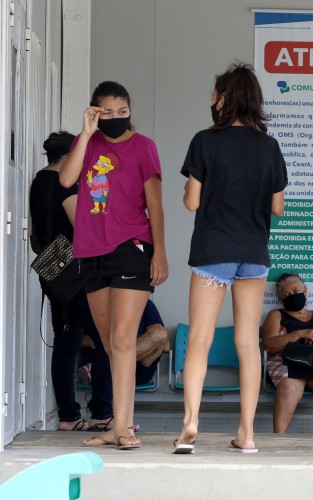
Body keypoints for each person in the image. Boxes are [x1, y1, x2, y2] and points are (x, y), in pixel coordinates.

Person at [174, 62, 287, 454]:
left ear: (225, 98)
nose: (212, 100)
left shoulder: (205, 141)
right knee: (247, 343)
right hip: (253, 254)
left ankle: (190, 422)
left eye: (215, 94)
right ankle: (247, 433)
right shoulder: (269, 146)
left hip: (213, 252)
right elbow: (278, 207)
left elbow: (191, 202)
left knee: (200, 340)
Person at [60, 81, 168, 450]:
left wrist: (160, 252)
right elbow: (66, 179)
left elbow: (155, 204)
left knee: (123, 339)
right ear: (94, 112)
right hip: (91, 251)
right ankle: (118, 425)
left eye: (123, 112)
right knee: (110, 343)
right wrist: (88, 133)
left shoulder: (143, 147)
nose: (117, 119)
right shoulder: (85, 143)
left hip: (132, 247)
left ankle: (122, 427)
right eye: (108, 112)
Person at [29, 131, 112, 432]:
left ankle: (68, 416)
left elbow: (35, 232)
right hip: (74, 270)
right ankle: (102, 412)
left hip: (50, 268)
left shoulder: (38, 181)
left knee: (67, 340)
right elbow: (84, 228)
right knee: (106, 339)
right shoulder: (63, 185)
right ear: (69, 156)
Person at [262, 274, 313, 433]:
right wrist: (300, 334)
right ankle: (278, 440)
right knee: (289, 387)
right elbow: (268, 346)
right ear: (280, 297)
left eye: (296, 291)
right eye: (287, 294)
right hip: (287, 363)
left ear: (305, 291)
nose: (293, 296)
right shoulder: (277, 315)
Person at [78, 299, 169, 397]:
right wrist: (99, 340)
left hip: (138, 369)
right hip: (103, 368)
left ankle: (104, 365)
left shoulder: (145, 303)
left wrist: (137, 344)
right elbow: (77, 341)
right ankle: (105, 366)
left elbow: (166, 345)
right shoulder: (95, 300)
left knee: (160, 333)